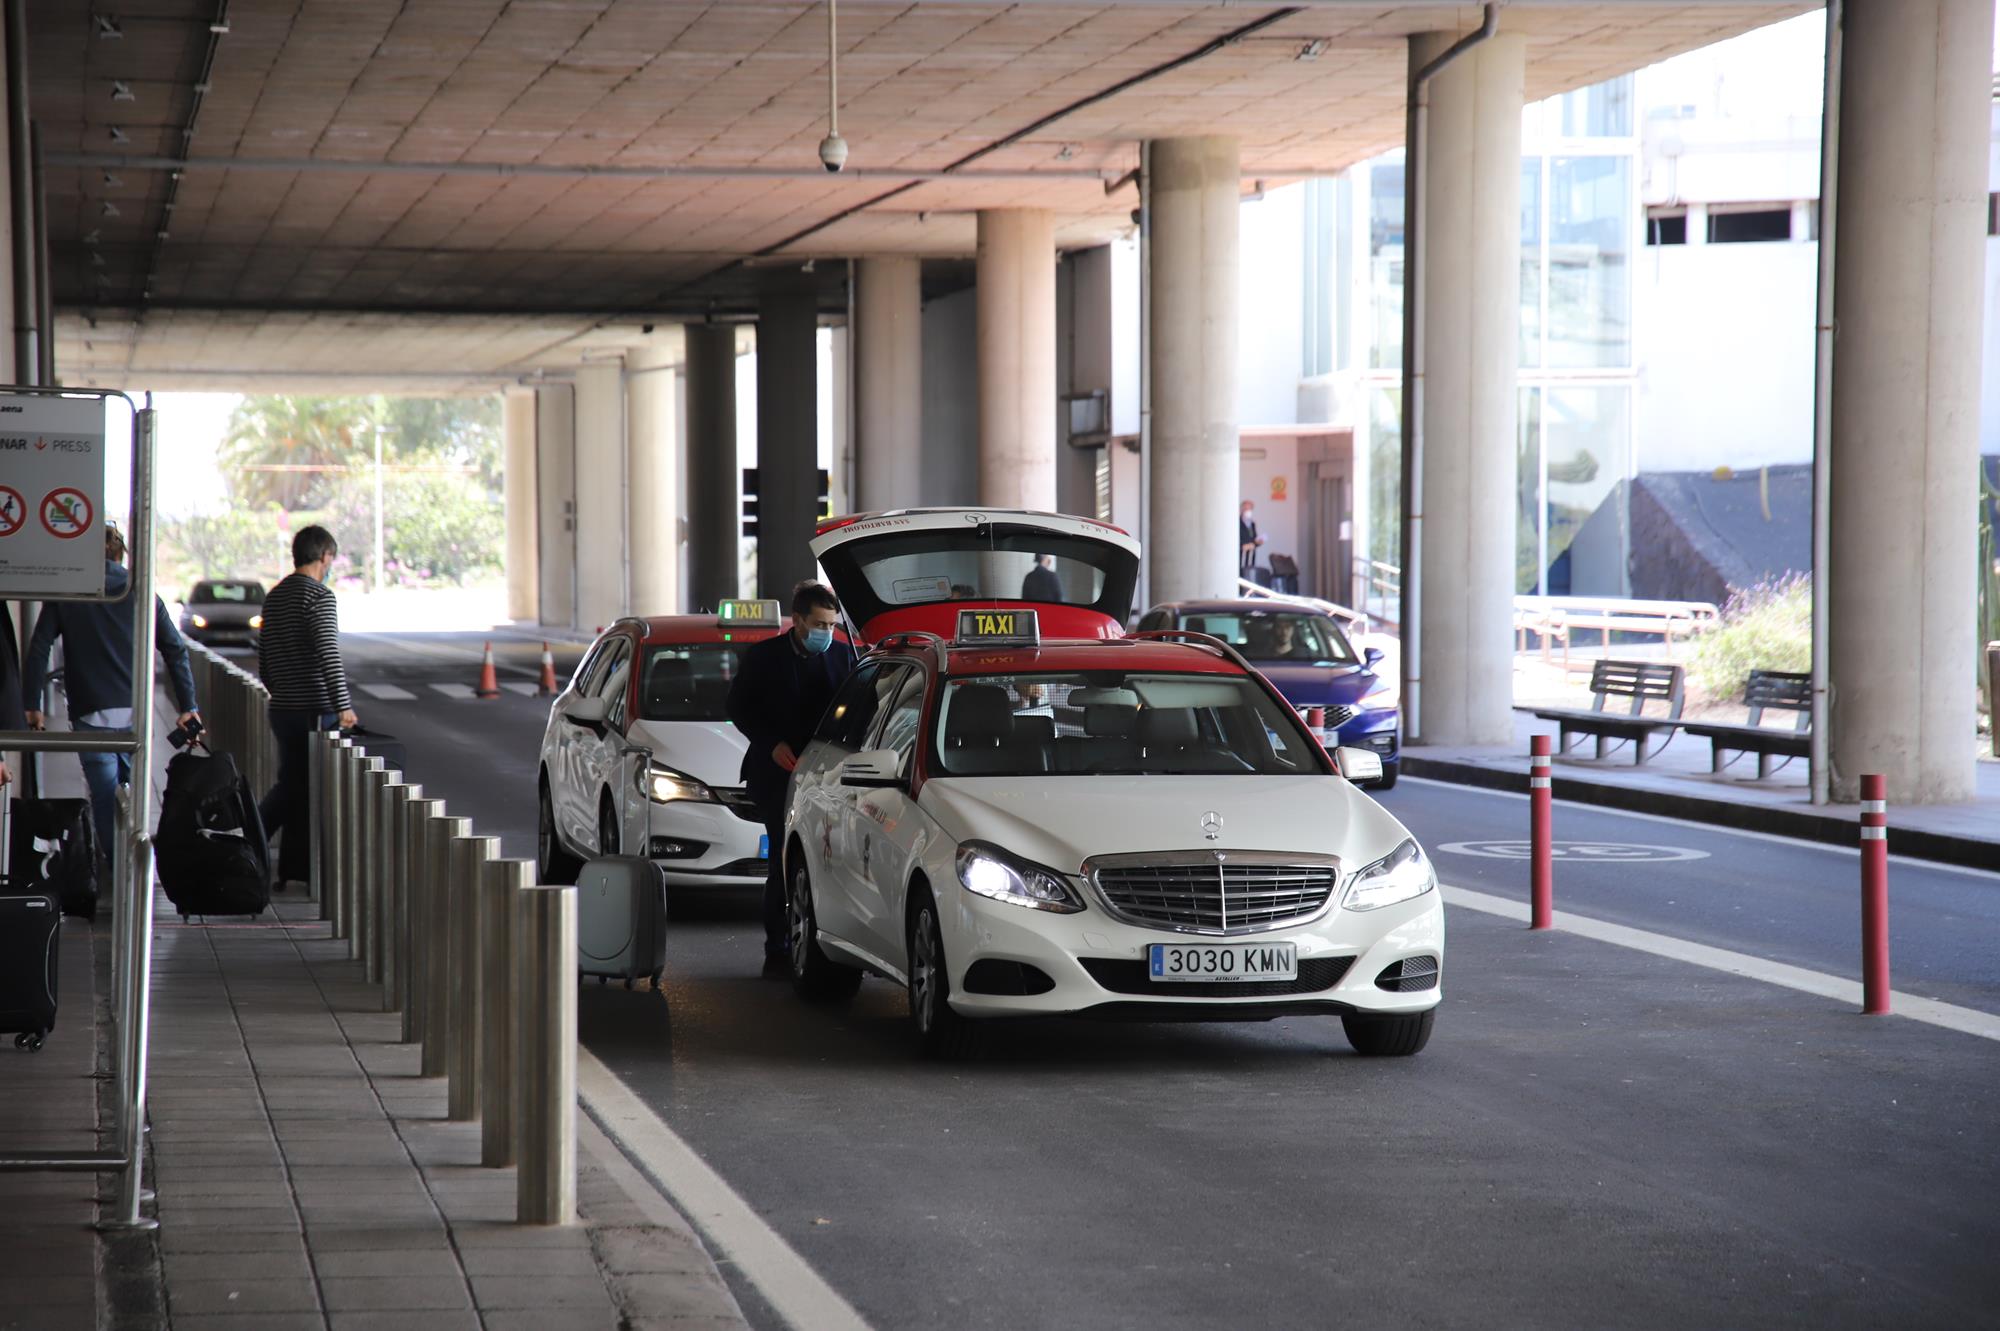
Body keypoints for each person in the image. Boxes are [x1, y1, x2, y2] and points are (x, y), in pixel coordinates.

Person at [23, 526, 200, 858]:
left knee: (104, 795)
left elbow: (39, 648)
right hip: (136, 712)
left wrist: (32, 703)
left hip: (90, 714)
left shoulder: (69, 592)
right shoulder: (143, 593)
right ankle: (136, 856)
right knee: (134, 792)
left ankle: (118, 867)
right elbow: (175, 649)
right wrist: (188, 705)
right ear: (121, 555)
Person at [726, 581, 857, 975]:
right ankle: (778, 947)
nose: (826, 633)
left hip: (827, 778)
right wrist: (770, 743)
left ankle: (825, 940)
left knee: (827, 860)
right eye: (819, 624)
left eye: (832, 625)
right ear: (797, 621)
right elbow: (738, 707)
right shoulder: (764, 657)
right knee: (784, 858)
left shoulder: (844, 657)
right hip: (777, 775)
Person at [256, 526, 357, 889]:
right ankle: (249, 839)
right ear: (325, 557)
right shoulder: (319, 597)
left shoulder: (276, 596)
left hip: (283, 708)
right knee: (296, 788)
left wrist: (282, 691)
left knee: (298, 787)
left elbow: (264, 661)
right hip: (314, 710)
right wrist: (343, 706)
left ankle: (294, 869)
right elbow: (329, 654)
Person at [1239, 501, 1265, 575]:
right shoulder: (1237, 523)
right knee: (1241, 574)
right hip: (1241, 556)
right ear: (1241, 509)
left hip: (1250, 556)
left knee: (1249, 575)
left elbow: (1254, 538)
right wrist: (1242, 546)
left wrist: (1258, 542)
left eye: (1250, 509)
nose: (1248, 511)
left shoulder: (1252, 524)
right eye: (1246, 509)